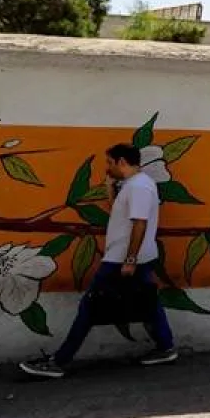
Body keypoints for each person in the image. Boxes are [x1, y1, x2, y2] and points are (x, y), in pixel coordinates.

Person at [20, 143, 177, 377]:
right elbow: (124, 215)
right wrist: (110, 190)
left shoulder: (139, 188)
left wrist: (130, 259)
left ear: (122, 162)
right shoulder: (135, 186)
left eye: (110, 163)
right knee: (149, 303)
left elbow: (140, 223)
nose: (107, 168)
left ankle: (59, 362)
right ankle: (166, 347)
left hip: (122, 259)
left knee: (89, 306)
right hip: (132, 257)